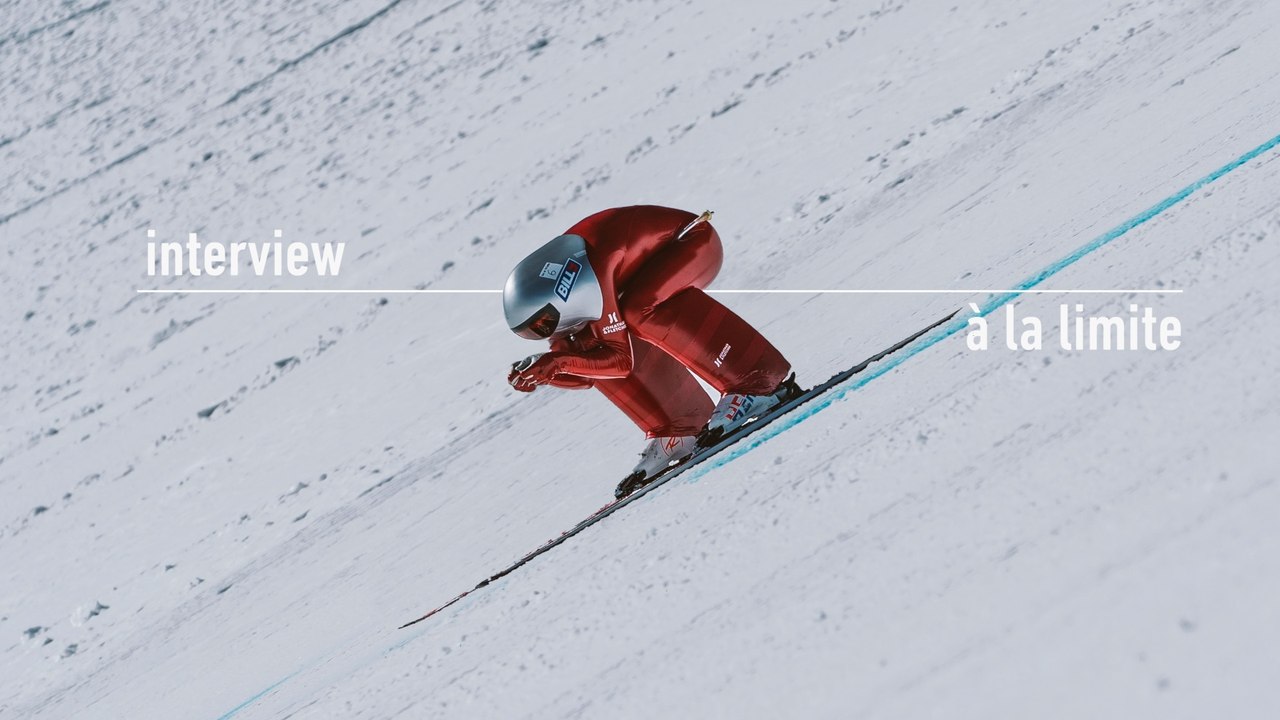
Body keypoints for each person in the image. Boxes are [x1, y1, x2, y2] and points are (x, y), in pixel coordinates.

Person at [503, 205, 800, 497]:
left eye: (543, 324)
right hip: (642, 272)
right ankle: (678, 429)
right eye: (534, 332)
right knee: (584, 343)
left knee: (638, 309)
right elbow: (585, 373)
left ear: (559, 291)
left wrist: (555, 362)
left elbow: (619, 362)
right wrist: (544, 374)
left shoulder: (589, 276)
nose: (545, 333)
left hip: (691, 241)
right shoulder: (564, 300)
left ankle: (758, 382)